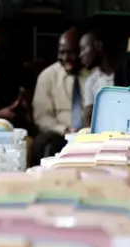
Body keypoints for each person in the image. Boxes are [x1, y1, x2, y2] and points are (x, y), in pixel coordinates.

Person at [30, 27, 90, 166]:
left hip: (88, 132)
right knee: (40, 144)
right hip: (59, 130)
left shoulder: (94, 75)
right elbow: (41, 116)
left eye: (71, 53)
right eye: (61, 53)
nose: (65, 58)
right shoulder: (48, 76)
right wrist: (65, 130)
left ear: (81, 51)